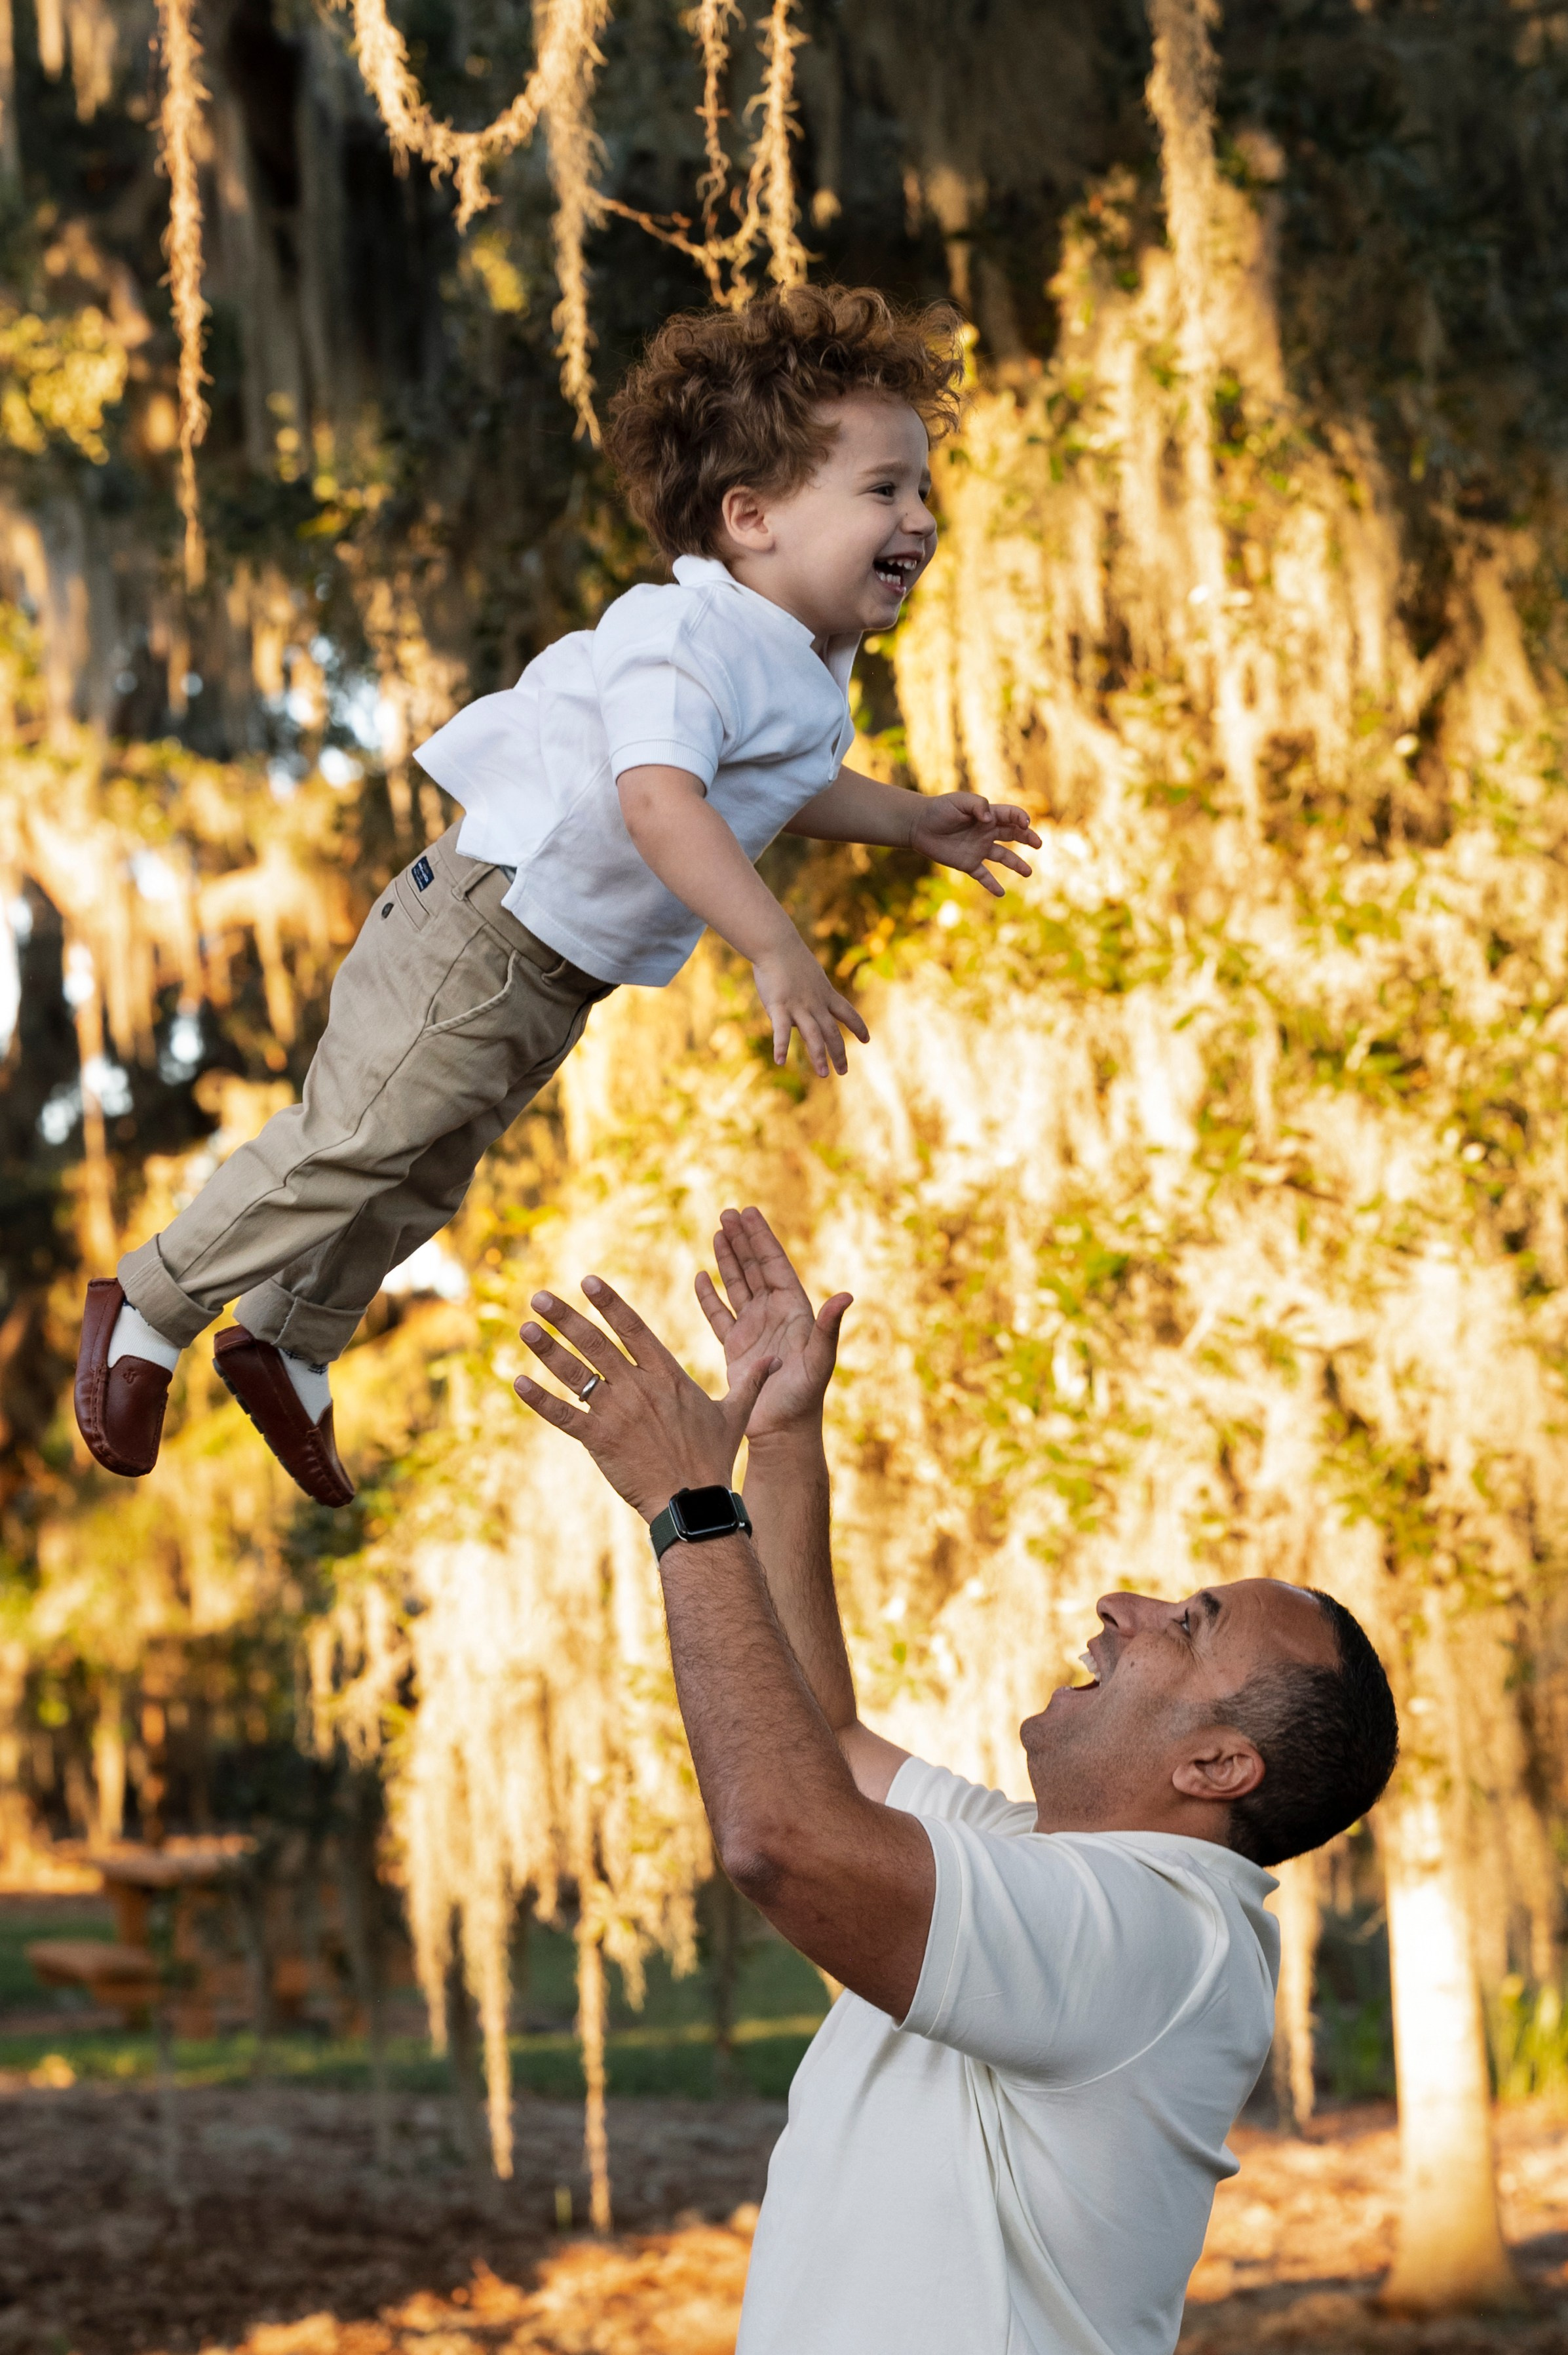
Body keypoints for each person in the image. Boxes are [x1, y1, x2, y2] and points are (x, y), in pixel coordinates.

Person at [72, 285, 1041, 1506]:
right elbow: (660, 802)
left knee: (426, 1168)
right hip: (480, 927)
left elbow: (772, 786)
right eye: (883, 489)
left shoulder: (797, 673)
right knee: (354, 1139)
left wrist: (907, 820)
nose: (918, 517)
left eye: (921, 489)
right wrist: (773, 948)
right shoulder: (681, 632)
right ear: (750, 519)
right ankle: (149, 1303)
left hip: (555, 972)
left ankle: (288, 1334)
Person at [509, 1206, 1401, 2355]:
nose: (1120, 1607)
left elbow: (782, 1838)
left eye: (1186, 1625)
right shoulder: (1045, 1862)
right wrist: (779, 1439)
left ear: (1217, 1764)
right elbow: (820, 1745)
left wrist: (688, 1508)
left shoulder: (1158, 1939)